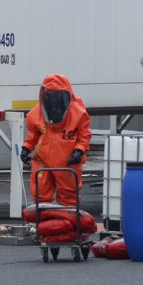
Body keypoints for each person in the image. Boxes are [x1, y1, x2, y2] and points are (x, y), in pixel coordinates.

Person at [20, 74, 92, 206]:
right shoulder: (36, 114)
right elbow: (32, 136)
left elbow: (84, 135)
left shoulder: (78, 113)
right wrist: (26, 148)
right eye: (50, 96)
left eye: (56, 97)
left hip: (67, 161)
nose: (53, 100)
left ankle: (67, 224)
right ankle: (42, 223)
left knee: (68, 197)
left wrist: (79, 151)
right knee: (40, 195)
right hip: (43, 160)